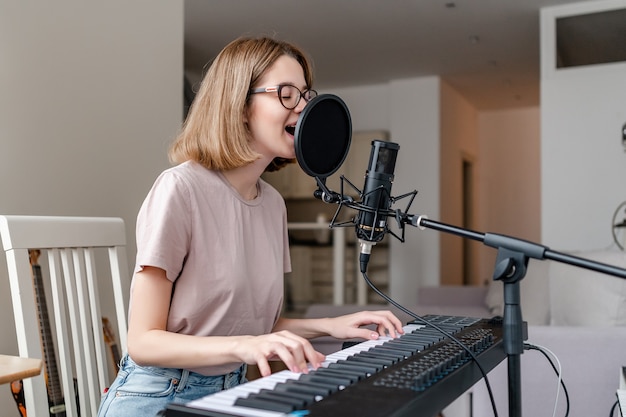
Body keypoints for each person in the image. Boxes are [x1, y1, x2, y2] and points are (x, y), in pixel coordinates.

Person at [97, 36, 404, 417]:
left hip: (230, 390)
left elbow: (251, 322)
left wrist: (331, 325)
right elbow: (143, 342)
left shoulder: (272, 204)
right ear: (240, 105)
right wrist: (245, 347)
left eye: (306, 95)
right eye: (287, 94)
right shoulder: (180, 189)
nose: (304, 108)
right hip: (161, 395)